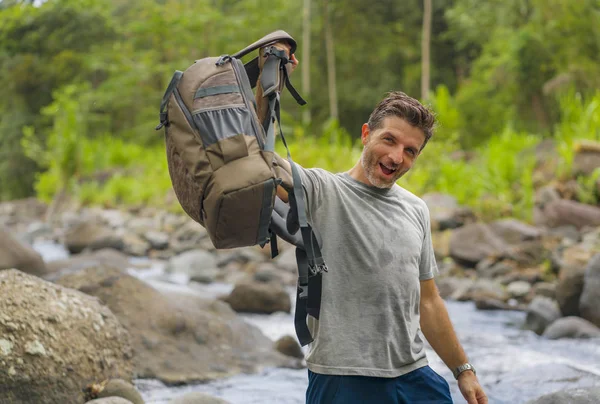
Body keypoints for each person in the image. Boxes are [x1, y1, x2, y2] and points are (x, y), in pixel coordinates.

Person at [270, 42, 488, 404]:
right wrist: (270, 83)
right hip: (343, 379)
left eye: (410, 151)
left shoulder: (416, 209)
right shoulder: (321, 189)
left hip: (415, 377)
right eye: (389, 140)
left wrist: (463, 371)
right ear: (366, 133)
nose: (395, 156)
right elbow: (257, 163)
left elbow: (429, 302)